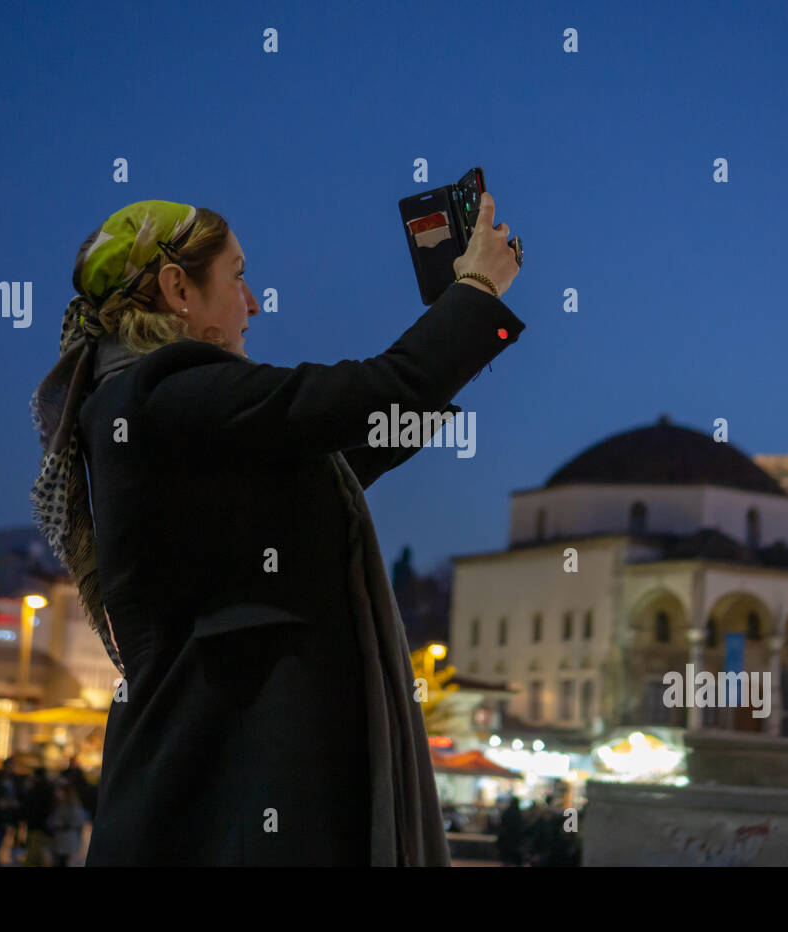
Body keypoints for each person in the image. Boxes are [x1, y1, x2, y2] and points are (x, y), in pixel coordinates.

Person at [29, 196, 523, 865]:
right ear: (178, 288)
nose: (254, 302)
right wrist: (475, 292)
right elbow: (368, 399)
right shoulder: (161, 391)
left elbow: (345, 447)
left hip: (219, 776)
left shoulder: (151, 406)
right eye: (236, 276)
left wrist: (453, 341)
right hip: (232, 779)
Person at [47, 782, 87, 866]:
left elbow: (78, 821)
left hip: (66, 836)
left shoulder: (72, 805)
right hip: (63, 836)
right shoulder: (60, 804)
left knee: (62, 859)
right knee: (61, 859)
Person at [495, 795, 526, 866]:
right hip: (515, 839)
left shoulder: (507, 812)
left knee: (507, 857)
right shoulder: (518, 813)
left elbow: (502, 824)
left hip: (506, 838)